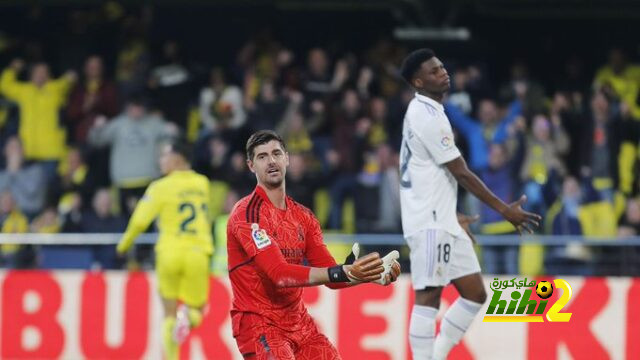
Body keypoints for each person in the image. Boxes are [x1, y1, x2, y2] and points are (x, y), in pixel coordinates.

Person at [398, 49, 541, 360]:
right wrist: (505, 210)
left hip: (443, 218)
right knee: (428, 295)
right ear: (418, 81)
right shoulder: (426, 115)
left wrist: (453, 214)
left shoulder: (429, 111)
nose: (443, 72)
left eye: (442, 66)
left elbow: (431, 173)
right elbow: (460, 171)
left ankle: (436, 355)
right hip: (430, 222)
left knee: (475, 294)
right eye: (435, 71)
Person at [226, 130, 401, 359]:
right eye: (262, 156)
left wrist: (369, 274)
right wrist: (343, 271)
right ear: (251, 166)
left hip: (300, 326)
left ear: (286, 158)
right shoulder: (248, 214)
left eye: (276, 153)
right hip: (260, 324)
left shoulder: (304, 217)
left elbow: (333, 280)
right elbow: (279, 275)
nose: (271, 161)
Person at [116, 141, 212, 360]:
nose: (160, 161)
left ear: (177, 160)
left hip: (169, 252)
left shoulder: (160, 187)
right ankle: (187, 317)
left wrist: (124, 245)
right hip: (197, 252)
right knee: (197, 309)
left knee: (168, 313)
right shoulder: (202, 184)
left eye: (164, 156)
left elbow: (140, 221)